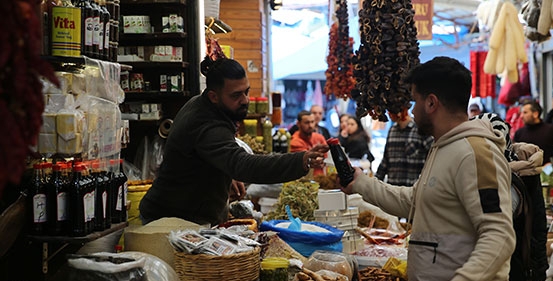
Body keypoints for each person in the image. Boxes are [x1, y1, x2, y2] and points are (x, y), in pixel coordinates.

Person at [342, 57, 516, 281]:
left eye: (415, 101)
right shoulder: (444, 147)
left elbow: (499, 234)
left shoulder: (475, 152)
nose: (411, 109)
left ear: (432, 103)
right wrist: (360, 184)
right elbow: (415, 201)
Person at [139, 57, 328, 226]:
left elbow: (207, 156)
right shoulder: (206, 123)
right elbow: (243, 164)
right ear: (214, 96)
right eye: (236, 95)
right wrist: (301, 160)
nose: (245, 100)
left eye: (246, 92)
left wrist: (225, 173)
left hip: (186, 215)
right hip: (170, 221)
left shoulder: (204, 104)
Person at [471, 113, 549, 281]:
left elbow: (535, 222)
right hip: (519, 268)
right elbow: (539, 223)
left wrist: (537, 268)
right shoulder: (525, 168)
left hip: (513, 270)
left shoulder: (508, 175)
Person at [375, 116, 433, 186]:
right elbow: (385, 161)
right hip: (392, 190)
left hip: (412, 191)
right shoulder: (392, 130)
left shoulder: (420, 130)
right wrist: (375, 185)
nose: (389, 114)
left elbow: (434, 158)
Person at [514, 99, 553, 165]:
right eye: (521, 113)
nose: (521, 116)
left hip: (546, 171)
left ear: (535, 114)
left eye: (525, 113)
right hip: (525, 172)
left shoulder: (550, 129)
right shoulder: (519, 133)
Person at [289, 110, 328, 176]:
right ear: (298, 124)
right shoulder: (294, 141)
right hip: (304, 178)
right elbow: (307, 160)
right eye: (306, 123)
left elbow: (327, 157)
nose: (310, 126)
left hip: (322, 177)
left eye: (312, 122)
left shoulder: (319, 137)